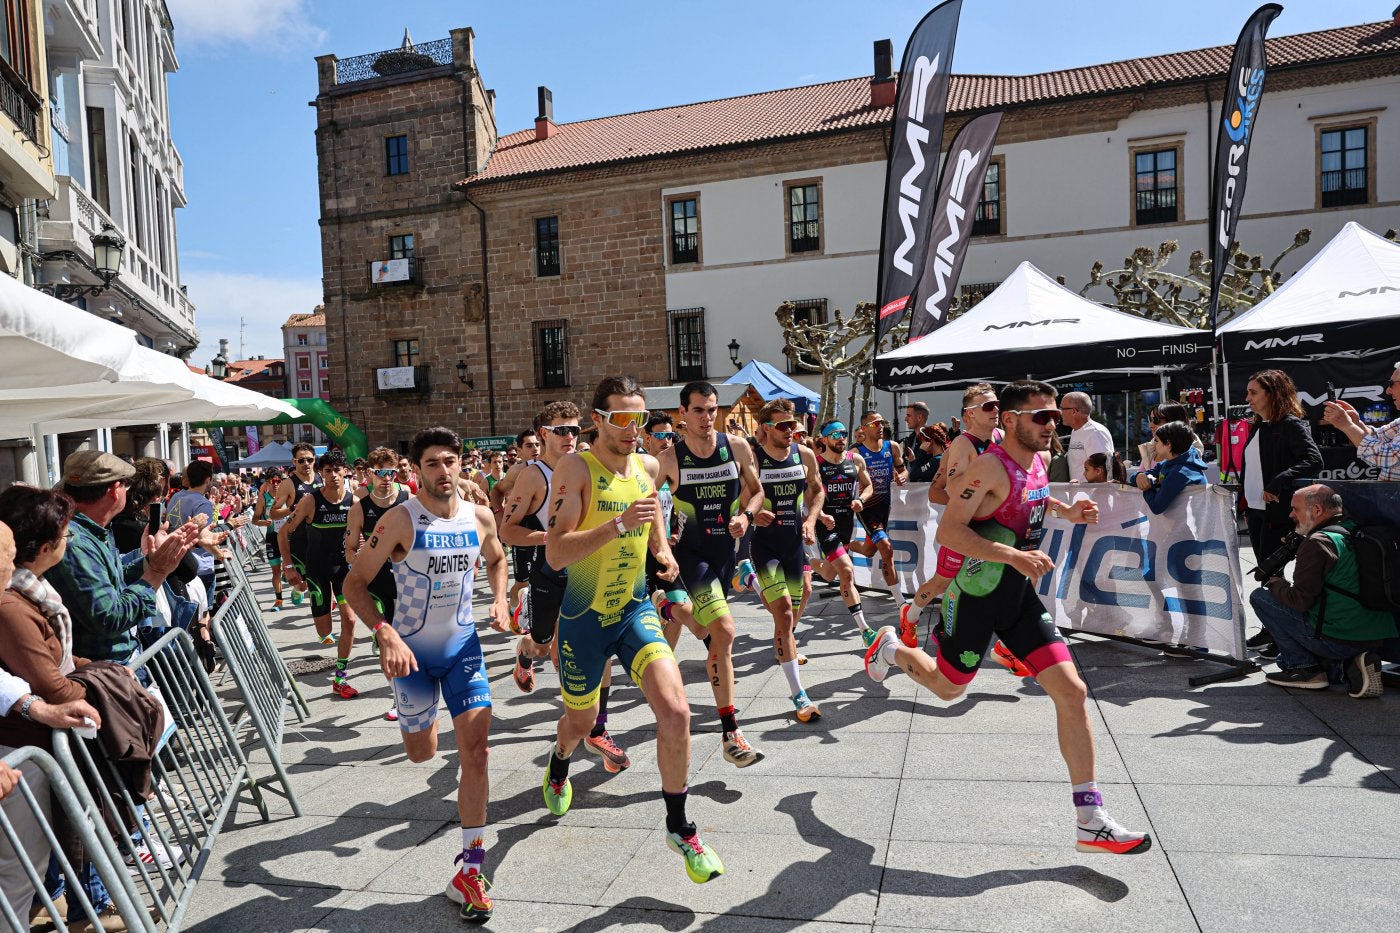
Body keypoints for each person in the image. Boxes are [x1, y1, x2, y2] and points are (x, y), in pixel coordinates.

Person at [863, 381, 1151, 855]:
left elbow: (1034, 496)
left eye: (1055, 415)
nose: (1052, 424)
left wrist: (1068, 511)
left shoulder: (1038, 460)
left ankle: (1090, 820)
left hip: (1016, 597)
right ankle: (891, 648)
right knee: (949, 690)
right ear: (1013, 420)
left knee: (1073, 692)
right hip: (975, 595)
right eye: (1042, 416)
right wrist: (1013, 555)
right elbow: (950, 531)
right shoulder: (987, 467)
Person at [541, 376, 724, 884]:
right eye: (620, 418)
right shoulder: (576, 468)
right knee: (581, 723)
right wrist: (618, 525)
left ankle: (679, 827)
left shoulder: (648, 465)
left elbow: (652, 515)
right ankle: (560, 760)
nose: (631, 429)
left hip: (634, 609)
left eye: (638, 419)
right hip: (583, 618)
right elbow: (556, 552)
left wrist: (661, 551)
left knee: (678, 711)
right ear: (597, 420)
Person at [343, 427, 510, 922]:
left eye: (449, 461)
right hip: (412, 657)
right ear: (416, 470)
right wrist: (384, 632)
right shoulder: (400, 519)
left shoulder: (480, 517)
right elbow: (354, 584)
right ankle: (421, 722)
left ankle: (470, 869)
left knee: (477, 752)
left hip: (463, 650)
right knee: (422, 753)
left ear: (461, 464)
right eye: (432, 463)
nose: (443, 470)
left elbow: (497, 558)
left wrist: (501, 599)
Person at [0, 493, 116, 923]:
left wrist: (37, 704)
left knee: (26, 865)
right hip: (19, 749)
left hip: (28, 742)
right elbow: (49, 681)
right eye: (5, 556)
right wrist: (99, 685)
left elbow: (40, 674)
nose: (10, 565)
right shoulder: (11, 605)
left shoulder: (22, 594)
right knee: (17, 871)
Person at [655, 381, 765, 768]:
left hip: (724, 555)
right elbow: (648, 504)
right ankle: (731, 733)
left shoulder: (736, 447)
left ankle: (669, 608)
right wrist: (661, 544)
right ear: (682, 414)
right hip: (691, 556)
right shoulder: (670, 458)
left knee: (710, 632)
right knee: (725, 631)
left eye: (712, 409)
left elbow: (757, 491)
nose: (707, 417)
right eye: (699, 410)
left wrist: (745, 516)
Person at [46, 452, 199, 665]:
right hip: (106, 669)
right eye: (127, 486)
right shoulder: (75, 542)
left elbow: (115, 579)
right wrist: (156, 572)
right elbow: (110, 618)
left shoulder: (94, 531)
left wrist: (152, 560)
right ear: (115, 490)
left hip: (118, 662)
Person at [1251, 484, 1397, 695]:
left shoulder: (1317, 542)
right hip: (1377, 637)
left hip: (1339, 638)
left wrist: (1276, 583)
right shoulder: (1355, 529)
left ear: (1317, 510)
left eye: (1295, 509)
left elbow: (1299, 601)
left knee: (1260, 598)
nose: (1291, 515)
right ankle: (1353, 665)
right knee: (1282, 659)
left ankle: (1305, 670)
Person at [911, 383, 1004, 648]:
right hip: (960, 528)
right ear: (969, 414)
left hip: (988, 528)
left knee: (995, 584)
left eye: (997, 404)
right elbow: (942, 491)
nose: (996, 410)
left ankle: (996, 643)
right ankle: (912, 615)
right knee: (944, 582)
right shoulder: (961, 445)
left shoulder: (1001, 437)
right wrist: (983, 491)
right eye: (989, 406)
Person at [749, 399, 825, 721]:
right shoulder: (754, 459)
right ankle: (799, 696)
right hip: (765, 546)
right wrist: (751, 514)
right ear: (766, 429)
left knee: (794, 609)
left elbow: (817, 491)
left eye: (793, 424)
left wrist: (811, 520)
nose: (791, 430)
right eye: (783, 425)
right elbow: (737, 498)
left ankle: (751, 581)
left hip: (794, 543)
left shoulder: (804, 454)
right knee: (782, 615)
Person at [280, 450, 361, 699]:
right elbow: (283, 533)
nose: (334, 475)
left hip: (343, 570)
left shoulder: (354, 502)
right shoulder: (310, 501)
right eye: (328, 471)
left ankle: (340, 677)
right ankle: (302, 589)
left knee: (350, 621)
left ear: (345, 472)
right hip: (316, 570)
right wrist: (288, 566)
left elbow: (364, 535)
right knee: (325, 633)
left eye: (337, 470)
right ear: (322, 474)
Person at [346, 447, 410, 720]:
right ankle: (399, 697)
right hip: (377, 582)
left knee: (412, 638)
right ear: (369, 474)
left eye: (391, 472)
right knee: (387, 641)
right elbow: (349, 550)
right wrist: (361, 558)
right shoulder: (359, 509)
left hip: (408, 578)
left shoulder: (408, 499)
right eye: (380, 473)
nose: (386, 478)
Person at [1239, 369, 1324, 566]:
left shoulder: (1289, 424)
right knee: (1265, 570)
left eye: (1253, 392)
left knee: (1269, 572)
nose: (1247, 398)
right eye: (1248, 392)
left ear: (1272, 393)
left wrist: (1279, 481)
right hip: (1255, 510)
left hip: (1276, 512)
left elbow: (1314, 461)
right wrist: (1246, 507)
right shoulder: (1258, 425)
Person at [810, 420, 877, 647]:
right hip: (827, 526)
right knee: (847, 571)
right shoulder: (816, 464)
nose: (841, 438)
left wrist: (861, 500)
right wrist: (820, 516)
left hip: (847, 525)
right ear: (824, 439)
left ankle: (808, 561)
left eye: (844, 434)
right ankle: (865, 629)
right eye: (835, 434)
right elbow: (808, 498)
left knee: (830, 574)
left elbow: (868, 486)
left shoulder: (855, 460)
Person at [850, 410, 907, 587]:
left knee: (869, 550)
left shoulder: (892, 446)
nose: (880, 427)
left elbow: (903, 470)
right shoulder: (856, 452)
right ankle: (899, 600)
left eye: (882, 422)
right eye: (875, 424)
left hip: (884, 507)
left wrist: (902, 477)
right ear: (863, 428)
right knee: (886, 549)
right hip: (867, 507)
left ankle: (844, 544)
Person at [1322, 360, 1400, 481]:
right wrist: (1355, 422)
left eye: (1391, 384)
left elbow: (1389, 457)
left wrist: (1348, 426)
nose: (1388, 391)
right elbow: (1378, 437)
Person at [271, 443, 322, 607]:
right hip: (300, 540)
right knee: (302, 585)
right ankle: (298, 589)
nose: (306, 463)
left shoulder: (322, 478)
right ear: (294, 462)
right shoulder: (288, 484)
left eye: (309, 460)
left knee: (322, 582)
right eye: (301, 460)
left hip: (321, 538)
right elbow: (273, 513)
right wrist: (293, 509)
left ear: (314, 460)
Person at [165, 459, 220, 599]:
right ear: (208, 479)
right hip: (199, 566)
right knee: (204, 610)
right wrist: (220, 554)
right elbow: (204, 537)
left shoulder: (176, 496)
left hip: (178, 563)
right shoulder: (203, 503)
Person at [1129, 422, 1208, 514]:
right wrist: (1139, 476)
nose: (1154, 444)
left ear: (1168, 444)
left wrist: (1147, 487)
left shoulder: (1180, 472)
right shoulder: (1170, 462)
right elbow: (1135, 478)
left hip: (1190, 522)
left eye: (1157, 440)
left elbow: (1156, 507)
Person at [252, 467, 287, 610]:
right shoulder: (263, 499)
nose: (276, 484)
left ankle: (297, 588)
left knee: (293, 566)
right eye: (272, 481)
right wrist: (263, 522)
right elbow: (254, 519)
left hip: (288, 537)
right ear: (267, 482)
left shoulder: (287, 496)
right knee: (276, 571)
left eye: (279, 481)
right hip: (272, 537)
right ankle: (279, 600)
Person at [1059, 391, 1114, 483]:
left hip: (1094, 492)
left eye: (1062, 409)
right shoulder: (1075, 430)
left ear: (1074, 411)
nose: (1060, 413)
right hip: (1079, 491)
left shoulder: (1096, 433)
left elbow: (1103, 473)